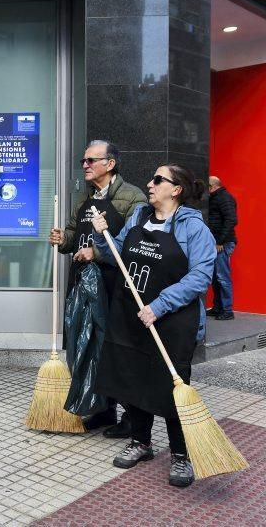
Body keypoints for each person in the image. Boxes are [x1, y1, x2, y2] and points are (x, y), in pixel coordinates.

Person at [91, 164, 215, 488]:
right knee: (135, 378)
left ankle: (180, 455)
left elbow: (200, 277)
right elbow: (115, 252)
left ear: (176, 190)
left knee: (173, 387)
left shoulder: (193, 228)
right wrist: (100, 234)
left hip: (172, 321)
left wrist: (159, 306)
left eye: (158, 180)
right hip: (132, 315)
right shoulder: (138, 217)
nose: (150, 183)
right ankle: (141, 442)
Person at [49, 140, 146, 438]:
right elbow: (73, 233)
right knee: (91, 346)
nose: (85, 165)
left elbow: (136, 244)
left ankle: (132, 418)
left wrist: (98, 253)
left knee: (116, 350)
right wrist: (62, 238)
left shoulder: (134, 199)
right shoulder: (84, 200)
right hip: (85, 284)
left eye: (91, 160)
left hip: (115, 286)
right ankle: (103, 410)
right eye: (83, 161)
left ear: (111, 164)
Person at [207, 176, 238, 321]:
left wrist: (219, 241)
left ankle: (227, 310)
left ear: (212, 186)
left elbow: (231, 219)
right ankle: (218, 307)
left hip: (222, 244)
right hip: (216, 243)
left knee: (222, 277)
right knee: (216, 277)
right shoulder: (216, 197)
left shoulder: (224, 198)